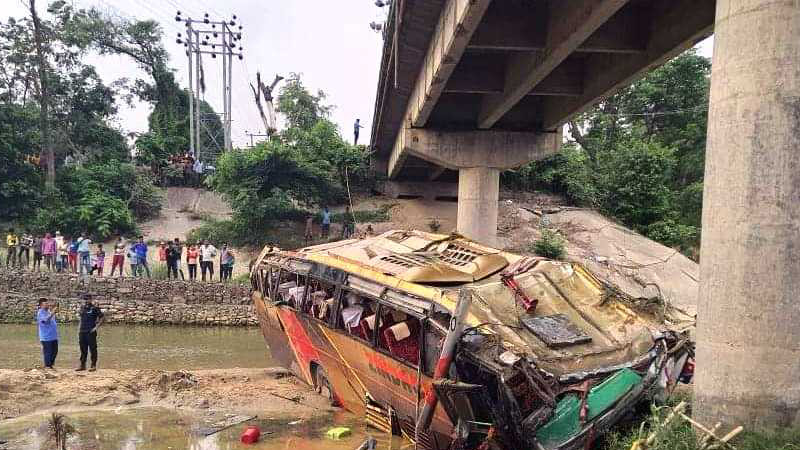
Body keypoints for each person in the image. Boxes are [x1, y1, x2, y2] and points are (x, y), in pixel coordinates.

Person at [76, 294, 104, 372]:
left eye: (88, 299)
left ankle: (93, 365)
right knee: (83, 349)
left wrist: (96, 327)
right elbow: (81, 318)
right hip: (82, 331)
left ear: (91, 299)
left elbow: (102, 317)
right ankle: (82, 365)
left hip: (91, 332)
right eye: (85, 299)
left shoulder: (95, 308)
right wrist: (79, 328)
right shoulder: (82, 308)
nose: (86, 301)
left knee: (93, 349)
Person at [36, 298, 59, 369]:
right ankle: (47, 366)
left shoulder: (48, 311)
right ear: (41, 305)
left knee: (54, 352)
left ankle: (51, 365)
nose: (47, 305)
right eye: (45, 304)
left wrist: (53, 310)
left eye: (47, 303)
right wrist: (53, 313)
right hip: (46, 337)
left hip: (53, 336)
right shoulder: (40, 313)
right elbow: (45, 320)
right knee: (48, 352)